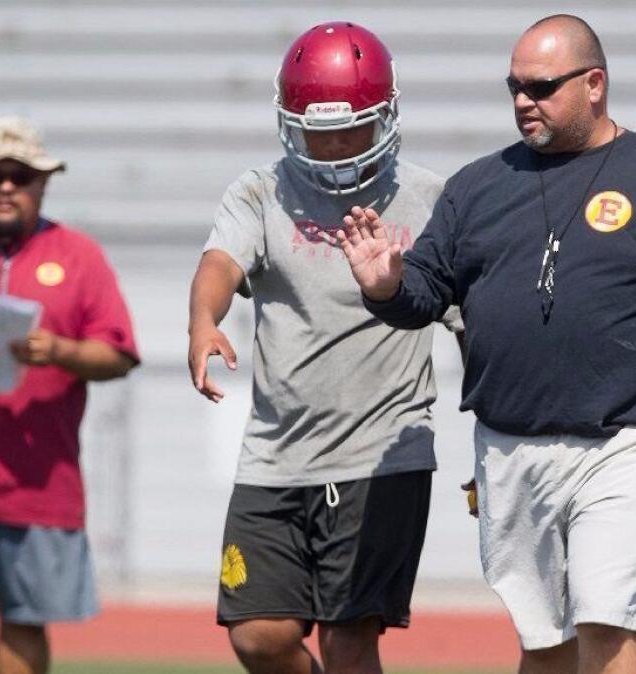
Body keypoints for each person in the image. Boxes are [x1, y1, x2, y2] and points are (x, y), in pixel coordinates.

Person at [335, 14, 636, 674]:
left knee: (606, 621)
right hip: (509, 445)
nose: (525, 101)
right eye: (515, 87)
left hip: (625, 443)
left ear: (595, 83)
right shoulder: (477, 187)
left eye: (543, 86)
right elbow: (423, 298)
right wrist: (385, 284)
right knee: (545, 645)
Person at [187, 23, 460, 674]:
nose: (335, 144)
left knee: (348, 641)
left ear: (387, 116)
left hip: (382, 456)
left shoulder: (429, 198)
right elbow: (220, 263)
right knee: (259, 636)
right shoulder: (261, 190)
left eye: (352, 127)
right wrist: (203, 321)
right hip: (276, 455)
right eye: (319, 129)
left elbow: (472, 316)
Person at [0, 116, 140, 674]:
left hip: (39, 477)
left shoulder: (80, 256)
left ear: (44, 184)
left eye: (21, 176)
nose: (7, 187)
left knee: (24, 619)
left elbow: (117, 355)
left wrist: (58, 352)